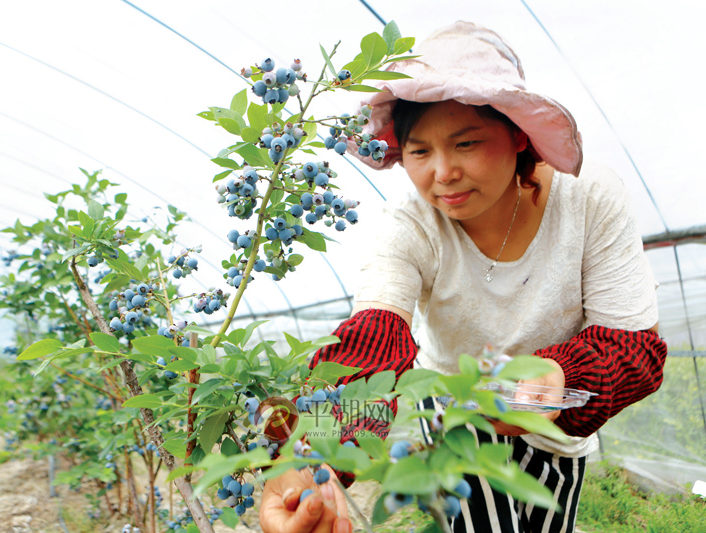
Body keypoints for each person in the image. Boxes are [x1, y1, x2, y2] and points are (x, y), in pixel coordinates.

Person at [258, 21, 667, 533]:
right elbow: (370, 343)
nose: (443, 173)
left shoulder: (589, 200)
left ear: (519, 135)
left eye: (467, 143)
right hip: (457, 420)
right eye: (420, 151)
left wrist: (556, 376)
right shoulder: (409, 227)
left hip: (560, 427)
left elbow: (633, 348)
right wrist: (303, 460)